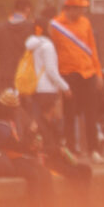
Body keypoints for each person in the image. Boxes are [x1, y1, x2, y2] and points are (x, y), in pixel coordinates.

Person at [49, 0, 104, 163]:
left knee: (91, 113)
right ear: (69, 8)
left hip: (87, 73)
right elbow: (52, 52)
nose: (81, 12)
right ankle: (71, 150)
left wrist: (98, 73)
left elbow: (92, 49)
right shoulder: (56, 25)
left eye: (83, 8)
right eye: (79, 8)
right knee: (69, 113)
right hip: (67, 74)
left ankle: (93, 149)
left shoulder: (85, 23)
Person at [24, 16, 72, 145]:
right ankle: (51, 150)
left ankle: (40, 150)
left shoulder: (32, 45)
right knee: (50, 123)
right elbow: (51, 70)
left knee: (38, 122)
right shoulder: (47, 46)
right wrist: (65, 87)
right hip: (48, 90)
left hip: (35, 88)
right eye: (50, 27)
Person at [0, 0, 35, 90]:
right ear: (27, 9)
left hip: (4, 75)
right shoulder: (32, 28)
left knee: (5, 102)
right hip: (25, 75)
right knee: (23, 103)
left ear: (14, 9)